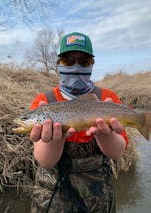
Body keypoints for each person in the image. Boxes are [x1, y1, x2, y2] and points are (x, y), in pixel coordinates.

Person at [30, 32, 128, 213]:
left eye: (84, 62)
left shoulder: (107, 99)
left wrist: (104, 135)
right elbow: (45, 162)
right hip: (52, 193)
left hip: (99, 195)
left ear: (92, 64)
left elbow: (117, 153)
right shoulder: (45, 102)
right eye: (68, 61)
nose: (76, 67)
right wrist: (57, 139)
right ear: (59, 64)